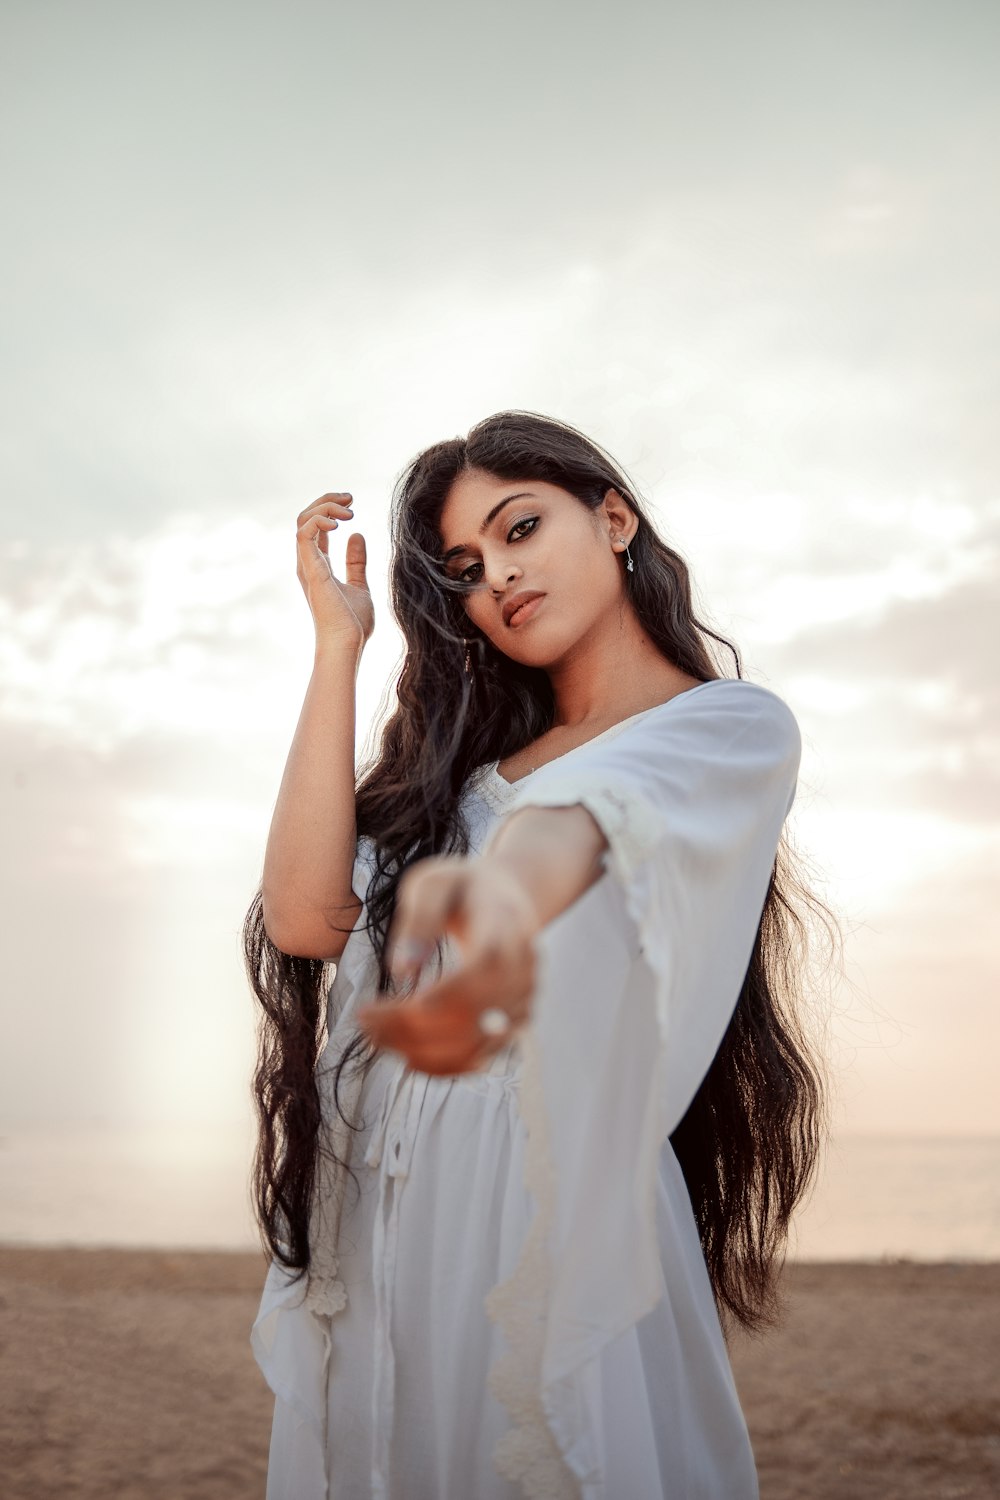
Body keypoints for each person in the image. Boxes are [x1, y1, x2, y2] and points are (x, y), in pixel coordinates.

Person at [244, 410, 833, 1500]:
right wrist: (339, 647)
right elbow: (304, 918)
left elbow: (585, 827)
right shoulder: (463, 775)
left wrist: (497, 908)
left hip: (529, 1197)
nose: (498, 577)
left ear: (614, 519)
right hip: (382, 1203)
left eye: (521, 529)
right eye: (466, 569)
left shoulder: (728, 728)